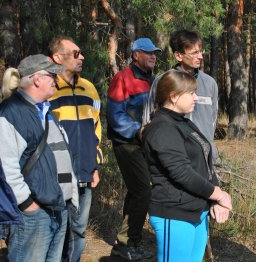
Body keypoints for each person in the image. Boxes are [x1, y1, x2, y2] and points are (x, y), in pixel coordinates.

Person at [142, 70, 231, 262]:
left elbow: (205, 162)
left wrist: (214, 198)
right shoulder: (162, 128)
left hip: (197, 211)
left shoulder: (183, 123)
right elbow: (182, 173)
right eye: (191, 93)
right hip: (174, 214)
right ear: (173, 97)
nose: (196, 98)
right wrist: (219, 195)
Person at [0, 54, 78, 262]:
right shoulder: (10, 113)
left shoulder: (46, 111)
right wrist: (27, 205)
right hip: (34, 214)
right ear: (36, 79)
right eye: (52, 75)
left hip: (58, 207)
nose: (56, 80)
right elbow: (5, 167)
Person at [48, 36, 102, 262]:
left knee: (79, 231)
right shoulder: (48, 89)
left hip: (85, 173)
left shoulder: (89, 89)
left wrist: (96, 165)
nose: (82, 57)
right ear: (57, 58)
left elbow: (97, 127)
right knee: (57, 231)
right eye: (76, 53)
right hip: (56, 176)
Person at [107, 37, 161, 260]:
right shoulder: (123, 78)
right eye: (148, 52)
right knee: (144, 190)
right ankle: (128, 243)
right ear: (136, 55)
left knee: (137, 191)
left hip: (147, 144)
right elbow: (114, 115)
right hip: (127, 143)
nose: (153, 56)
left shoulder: (155, 81)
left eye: (155, 53)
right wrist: (137, 130)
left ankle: (124, 242)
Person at [144, 30, 219, 161]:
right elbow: (148, 118)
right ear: (178, 56)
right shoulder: (163, 81)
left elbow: (213, 119)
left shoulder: (210, 83)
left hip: (203, 158)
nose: (200, 56)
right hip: (173, 157)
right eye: (195, 53)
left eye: (201, 51)